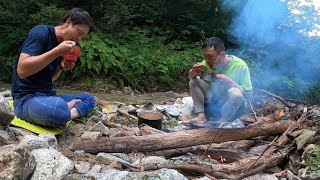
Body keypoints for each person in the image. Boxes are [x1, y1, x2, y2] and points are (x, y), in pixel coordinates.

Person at [11, 8, 96, 128]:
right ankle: (64, 111)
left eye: (83, 37)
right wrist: (56, 52)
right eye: (79, 32)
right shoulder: (40, 32)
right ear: (68, 23)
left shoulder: (62, 44)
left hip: (47, 96)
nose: (79, 39)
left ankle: (67, 115)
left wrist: (61, 66)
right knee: (59, 108)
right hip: (26, 99)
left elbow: (50, 80)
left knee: (89, 99)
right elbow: (22, 71)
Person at [188, 37, 252, 125]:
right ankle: (201, 116)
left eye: (210, 56)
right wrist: (192, 72)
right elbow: (191, 77)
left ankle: (222, 123)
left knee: (235, 93)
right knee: (194, 80)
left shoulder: (240, 65)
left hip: (233, 107)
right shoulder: (206, 63)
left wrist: (230, 82)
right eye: (205, 56)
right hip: (215, 103)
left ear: (222, 55)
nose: (206, 60)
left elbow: (248, 95)